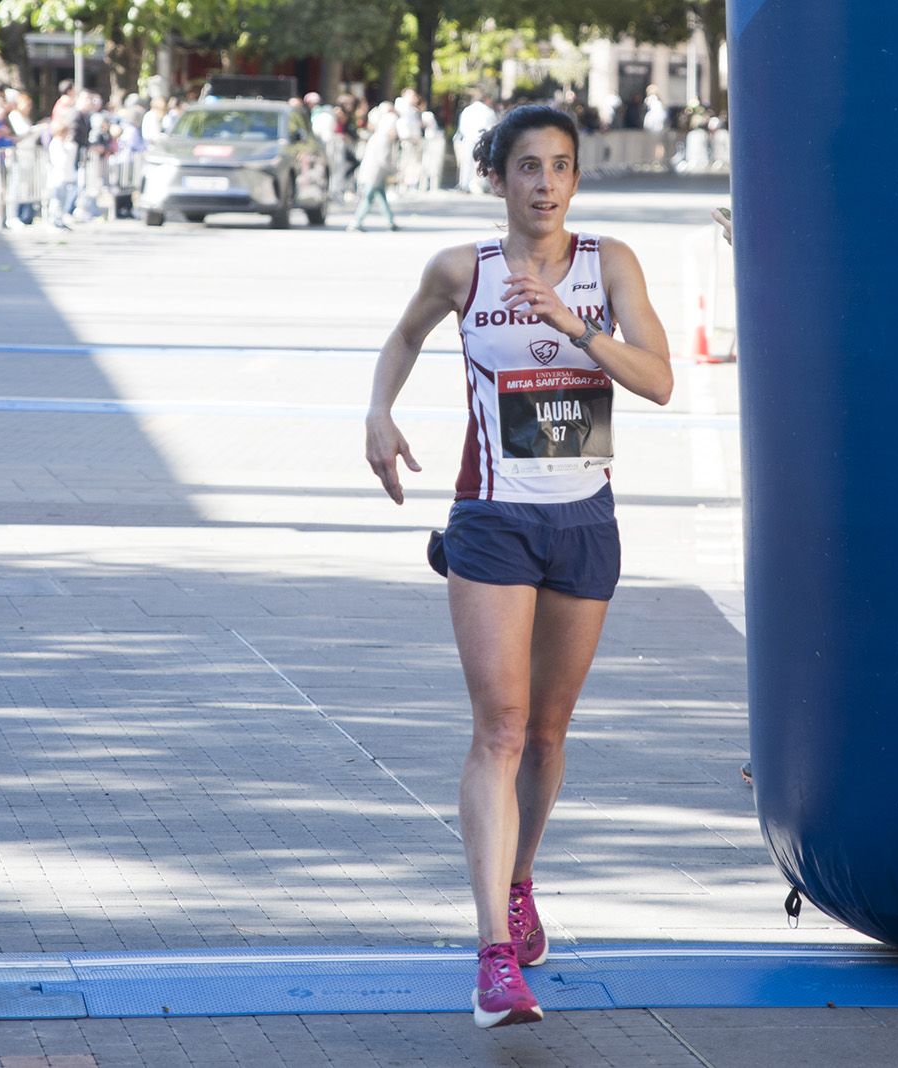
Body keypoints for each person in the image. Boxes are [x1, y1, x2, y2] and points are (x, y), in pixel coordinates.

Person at [364, 104, 671, 1029]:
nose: (545, 184)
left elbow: (657, 379)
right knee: (498, 729)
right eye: (527, 167)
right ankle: (494, 956)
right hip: (491, 519)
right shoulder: (463, 268)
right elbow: (405, 336)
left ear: (577, 180)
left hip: (583, 519)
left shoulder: (609, 264)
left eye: (561, 167)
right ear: (495, 178)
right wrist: (379, 414)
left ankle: (520, 882)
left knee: (545, 732)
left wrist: (579, 331)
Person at [346, 102, 398, 232]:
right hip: (375, 171)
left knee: (380, 195)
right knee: (369, 195)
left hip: (376, 171)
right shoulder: (383, 139)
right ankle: (356, 222)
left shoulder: (379, 136)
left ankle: (390, 220)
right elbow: (382, 159)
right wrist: (392, 171)